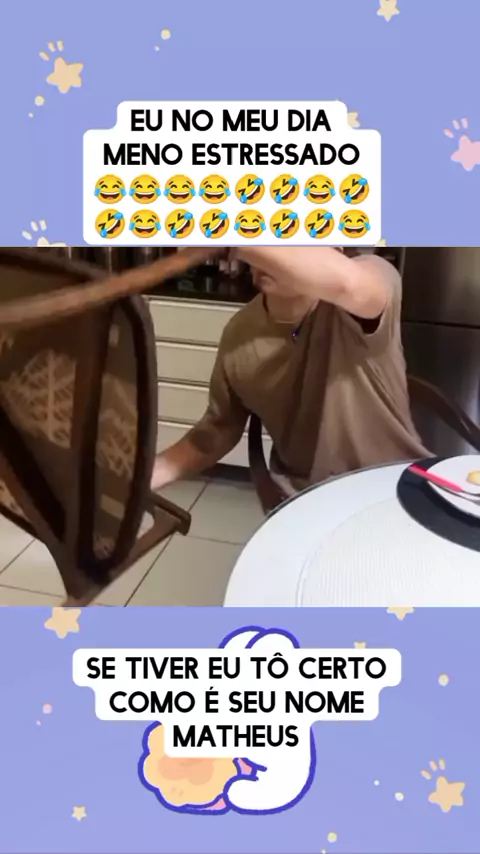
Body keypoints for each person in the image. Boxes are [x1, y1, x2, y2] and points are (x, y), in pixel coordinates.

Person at [151, 246, 429, 497]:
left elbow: (351, 285)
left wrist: (226, 235)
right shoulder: (239, 334)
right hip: (303, 499)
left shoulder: (372, 276)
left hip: (394, 488)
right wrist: (148, 476)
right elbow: (218, 429)